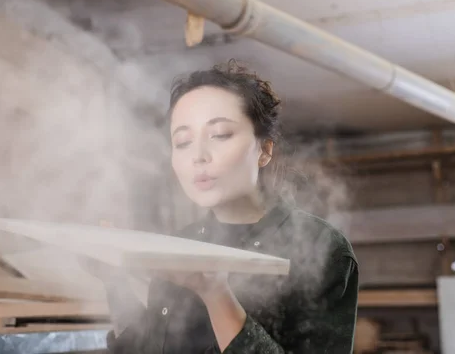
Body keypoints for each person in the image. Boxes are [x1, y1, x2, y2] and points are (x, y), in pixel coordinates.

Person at [106, 61, 359, 353]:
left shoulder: (323, 248)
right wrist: (114, 282)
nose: (198, 156)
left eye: (220, 135)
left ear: (264, 150)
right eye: (183, 141)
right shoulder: (179, 245)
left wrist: (216, 293)